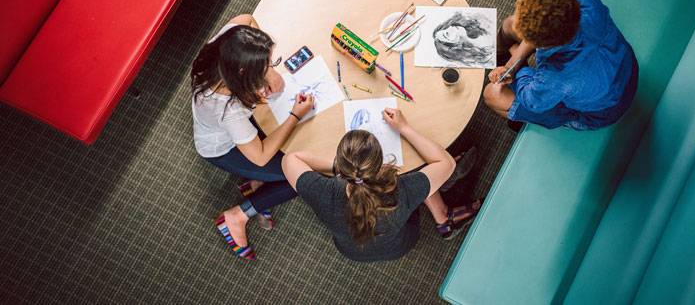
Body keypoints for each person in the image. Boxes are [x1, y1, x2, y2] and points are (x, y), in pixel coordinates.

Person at [281, 108, 482, 262]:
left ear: (342, 166)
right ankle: (443, 212)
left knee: (417, 180)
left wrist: (342, 169)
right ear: (380, 164)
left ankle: (438, 194)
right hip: (400, 245)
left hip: (351, 252)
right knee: (413, 170)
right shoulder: (400, 191)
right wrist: (404, 128)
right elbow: (446, 163)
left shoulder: (322, 192)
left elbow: (290, 159)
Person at [191, 14, 315, 260]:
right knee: (301, 175)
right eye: (265, 65)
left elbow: (247, 18)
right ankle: (237, 215)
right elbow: (260, 155)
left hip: (242, 132)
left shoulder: (225, 48)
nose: (271, 68)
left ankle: (256, 183)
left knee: (282, 159)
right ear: (243, 72)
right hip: (224, 149)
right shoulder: (229, 111)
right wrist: (294, 115)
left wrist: (268, 73)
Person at [483, 0, 638, 130]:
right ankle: (503, 55)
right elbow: (552, 26)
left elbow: (532, 101)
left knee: (491, 94)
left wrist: (517, 68)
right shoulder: (586, 1)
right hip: (627, 70)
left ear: (542, 45)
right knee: (510, 24)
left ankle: (522, 120)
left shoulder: (554, 77)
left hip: (602, 111)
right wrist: (510, 65)